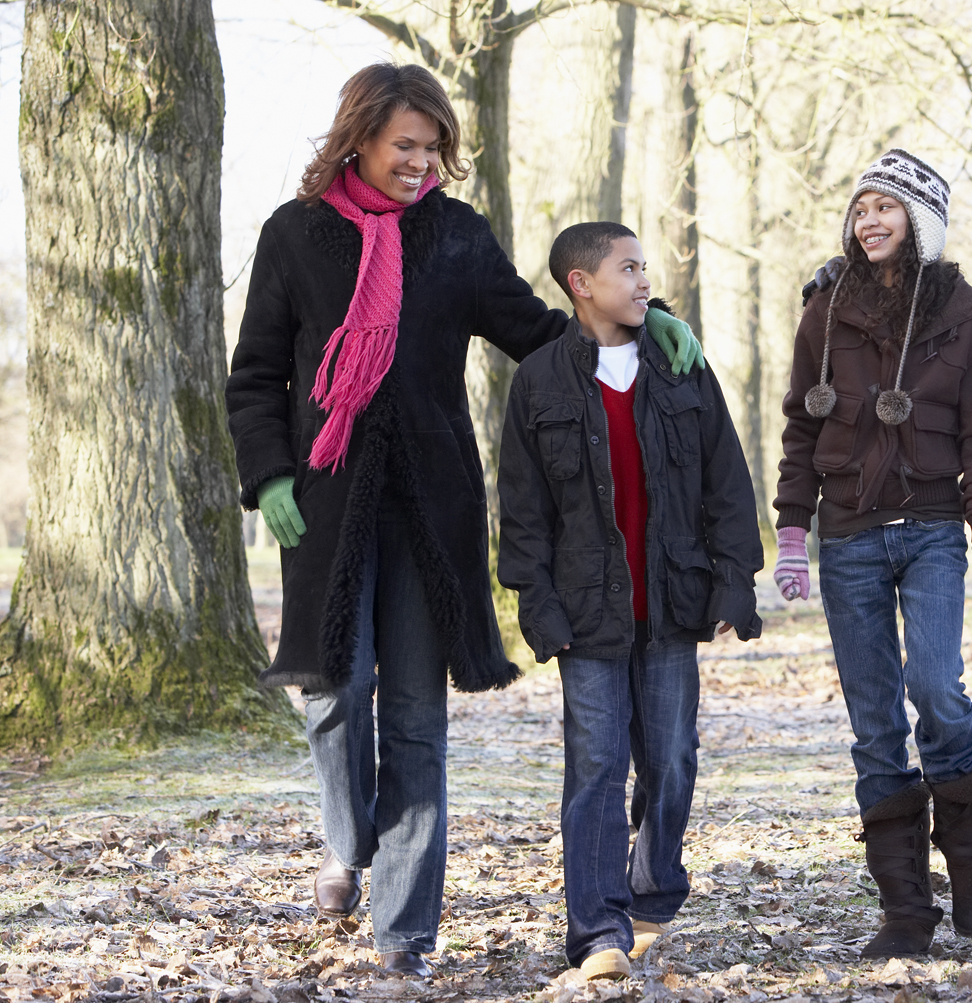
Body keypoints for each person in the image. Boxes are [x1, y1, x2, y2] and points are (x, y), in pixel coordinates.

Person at [225, 64, 702, 977]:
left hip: (431, 506)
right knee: (333, 690)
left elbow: (532, 327)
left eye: (433, 146)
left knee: (413, 714)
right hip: (324, 502)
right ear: (358, 135)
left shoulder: (452, 234)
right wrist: (269, 474)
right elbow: (254, 373)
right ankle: (345, 839)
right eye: (405, 144)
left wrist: (644, 321)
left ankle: (403, 940)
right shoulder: (295, 233)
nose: (420, 161)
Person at [496, 222, 763, 980]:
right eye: (628, 268)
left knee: (672, 761)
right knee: (596, 768)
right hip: (586, 614)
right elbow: (522, 510)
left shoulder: (681, 365)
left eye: (646, 267)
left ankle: (652, 888)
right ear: (581, 284)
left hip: (673, 599)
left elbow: (725, 480)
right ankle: (598, 932)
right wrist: (539, 607)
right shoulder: (540, 381)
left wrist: (732, 579)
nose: (644, 280)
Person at [773, 151, 972, 959]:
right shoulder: (825, 307)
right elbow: (800, 429)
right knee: (874, 723)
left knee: (933, 685)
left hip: (932, 529)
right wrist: (790, 532)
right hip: (845, 535)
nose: (868, 220)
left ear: (923, 220)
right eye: (860, 207)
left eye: (887, 206)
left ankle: (970, 853)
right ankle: (906, 910)